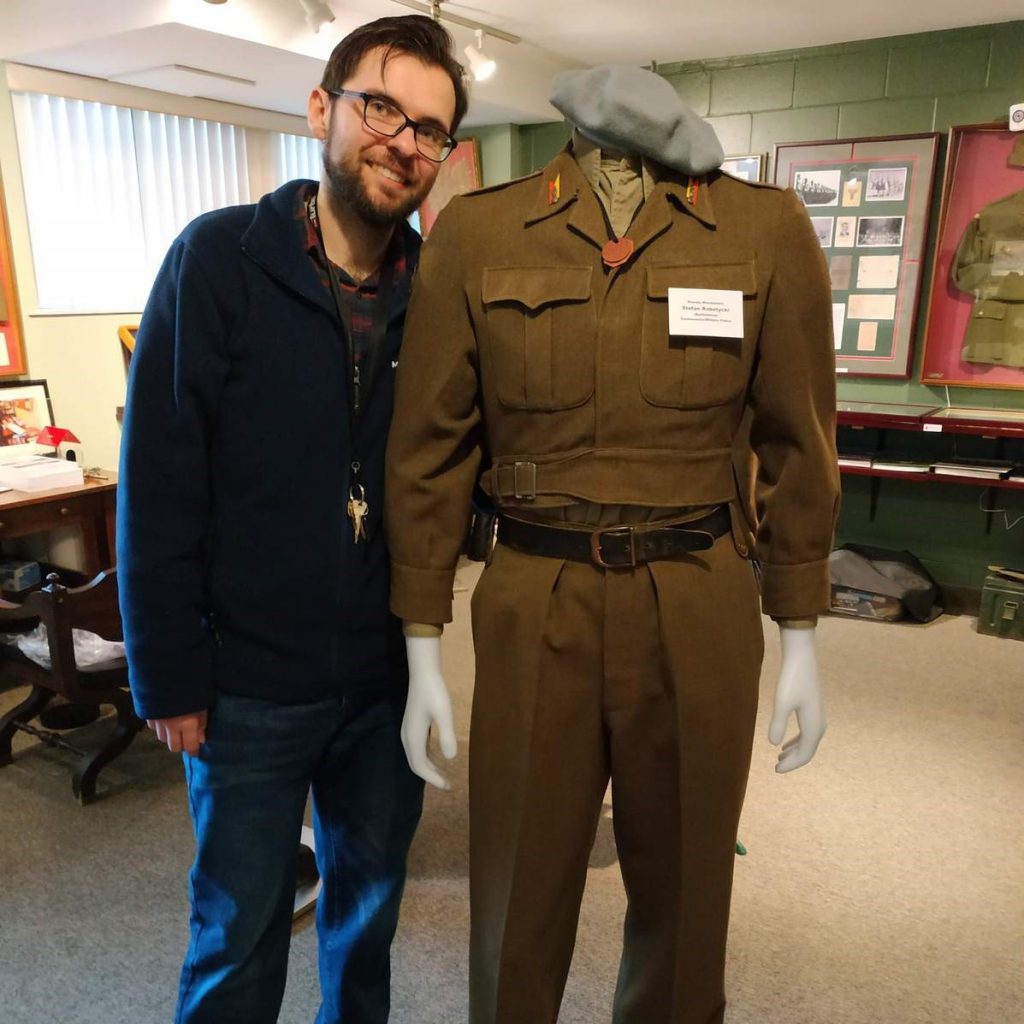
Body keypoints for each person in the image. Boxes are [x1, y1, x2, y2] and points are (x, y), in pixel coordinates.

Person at [386, 66, 839, 1024]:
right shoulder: (478, 232)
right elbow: (429, 448)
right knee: (516, 880)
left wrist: (798, 625)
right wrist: (421, 633)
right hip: (535, 591)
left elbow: (800, 442)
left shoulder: (762, 229)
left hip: (699, 590)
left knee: (687, 885)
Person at [117, 16, 467, 1024]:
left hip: (382, 677)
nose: (404, 143)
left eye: (430, 129)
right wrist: (168, 673)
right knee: (239, 931)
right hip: (246, 686)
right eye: (382, 108)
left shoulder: (439, 292)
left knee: (368, 916)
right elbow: (159, 478)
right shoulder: (218, 258)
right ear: (322, 109)